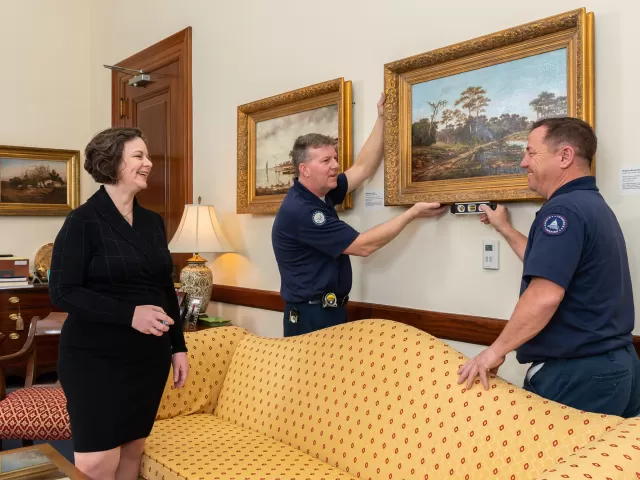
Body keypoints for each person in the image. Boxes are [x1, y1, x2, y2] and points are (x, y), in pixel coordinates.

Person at [457, 117, 640, 417]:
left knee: (560, 465)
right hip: (618, 366)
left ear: (565, 156)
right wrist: (504, 228)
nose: (523, 162)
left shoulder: (563, 209)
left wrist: (495, 350)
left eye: (531, 152)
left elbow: (545, 295)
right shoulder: (591, 205)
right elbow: (549, 265)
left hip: (581, 375)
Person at [49, 127, 189, 479]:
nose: (149, 164)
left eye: (148, 156)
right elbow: (63, 291)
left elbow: (163, 288)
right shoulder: (82, 221)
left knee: (133, 449)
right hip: (95, 358)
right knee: (96, 462)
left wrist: (178, 346)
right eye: (139, 156)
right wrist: (129, 315)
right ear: (112, 163)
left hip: (147, 359)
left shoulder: (152, 222)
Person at [272, 94, 447, 337]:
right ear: (305, 170)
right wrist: (413, 213)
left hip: (329, 309)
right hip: (310, 315)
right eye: (326, 160)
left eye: (334, 157)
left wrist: (382, 119)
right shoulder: (303, 211)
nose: (335, 165)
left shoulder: (322, 194)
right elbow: (363, 245)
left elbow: (362, 168)